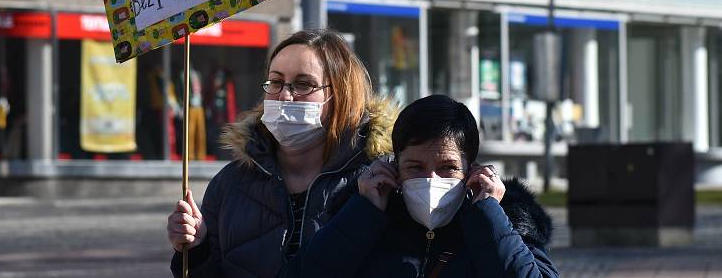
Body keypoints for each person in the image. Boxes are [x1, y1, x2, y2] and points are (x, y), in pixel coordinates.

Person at [166, 29, 397, 278]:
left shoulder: (377, 184)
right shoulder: (229, 184)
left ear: (339, 95)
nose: (285, 95)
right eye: (276, 82)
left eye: (303, 84)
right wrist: (196, 250)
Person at [280, 94, 560, 278]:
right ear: (395, 167)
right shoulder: (364, 218)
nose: (432, 180)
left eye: (448, 167)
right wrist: (363, 214)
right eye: (415, 167)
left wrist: (490, 215)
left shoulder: (507, 220)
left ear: (471, 169)